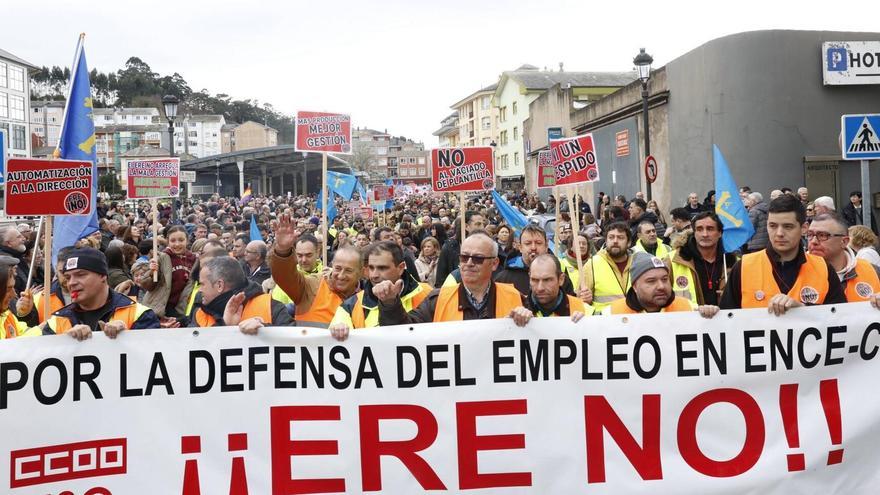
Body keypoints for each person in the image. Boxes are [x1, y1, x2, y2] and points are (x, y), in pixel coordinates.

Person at [720, 195, 846, 314]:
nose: (779, 233)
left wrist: (803, 309)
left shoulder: (823, 267)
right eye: (773, 226)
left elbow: (839, 317)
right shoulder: (743, 267)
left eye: (788, 226)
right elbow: (727, 320)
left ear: (804, 228)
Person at [374, 232, 526, 324]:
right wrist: (389, 304)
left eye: (478, 258)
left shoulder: (516, 298)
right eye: (464, 257)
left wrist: (528, 318)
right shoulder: (438, 299)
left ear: (494, 263)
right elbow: (404, 331)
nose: (469, 263)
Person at [42, 248, 160, 339]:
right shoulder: (57, 321)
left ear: (103, 276)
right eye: (68, 277)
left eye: (81, 275)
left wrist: (127, 338)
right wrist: (65, 343)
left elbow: (154, 360)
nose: (71, 283)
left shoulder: (139, 315)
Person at [269, 215, 361, 326]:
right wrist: (282, 250)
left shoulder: (371, 294)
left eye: (348, 271)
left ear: (361, 272)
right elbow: (285, 277)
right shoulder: (312, 286)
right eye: (337, 268)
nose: (341, 275)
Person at [328, 241, 431, 339]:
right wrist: (337, 331)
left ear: (401, 268)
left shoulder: (427, 293)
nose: (374, 275)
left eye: (382, 268)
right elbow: (332, 344)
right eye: (371, 268)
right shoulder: (350, 306)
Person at [604, 252, 717, 316]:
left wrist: (711, 315)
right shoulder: (611, 313)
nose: (661, 286)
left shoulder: (688, 308)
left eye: (664, 279)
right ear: (635, 287)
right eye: (651, 281)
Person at [193, 256, 291, 328]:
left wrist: (264, 329)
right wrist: (224, 325)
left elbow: (293, 339)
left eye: (202, 284)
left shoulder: (270, 306)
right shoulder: (200, 314)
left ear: (220, 285)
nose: (200, 290)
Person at [806, 213, 880, 304]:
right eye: (810, 235)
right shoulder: (793, 271)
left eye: (822, 235)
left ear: (844, 242)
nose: (813, 241)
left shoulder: (873, 271)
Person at [668, 212, 736, 306]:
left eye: (710, 229)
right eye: (699, 229)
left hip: (725, 319)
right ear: (694, 233)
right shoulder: (673, 260)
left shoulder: (733, 262)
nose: (705, 234)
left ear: (720, 233)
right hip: (687, 319)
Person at [495, 224, 574, 296]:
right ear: (520, 247)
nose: (533, 247)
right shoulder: (503, 279)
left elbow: (570, 305)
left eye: (538, 243)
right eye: (528, 243)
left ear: (546, 245)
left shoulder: (558, 276)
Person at [509, 254, 588, 323]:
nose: (540, 288)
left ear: (561, 279)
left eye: (547, 280)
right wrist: (511, 323)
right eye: (535, 280)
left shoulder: (583, 308)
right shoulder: (515, 307)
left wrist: (587, 324)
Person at [579, 222, 634, 314]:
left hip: (635, 321)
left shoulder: (637, 262)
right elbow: (580, 303)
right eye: (611, 237)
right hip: (604, 322)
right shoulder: (592, 264)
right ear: (606, 241)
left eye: (620, 237)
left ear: (628, 243)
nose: (615, 241)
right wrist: (585, 300)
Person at [434, 211, 486, 287]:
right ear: (466, 226)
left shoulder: (486, 246)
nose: (482, 228)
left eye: (483, 224)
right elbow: (441, 278)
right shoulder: (450, 247)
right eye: (478, 224)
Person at [0, 256, 40, 339]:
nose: (14, 295)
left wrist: (24, 314)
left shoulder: (7, 315)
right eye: (8, 289)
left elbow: (25, 335)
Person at [164, 226, 197, 318]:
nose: (177, 244)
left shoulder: (193, 259)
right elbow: (148, 284)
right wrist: (151, 272)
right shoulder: (162, 258)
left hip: (185, 307)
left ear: (187, 240)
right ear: (168, 242)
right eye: (173, 241)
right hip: (166, 308)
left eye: (181, 240)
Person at [0, 225, 29, 294]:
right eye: (19, 237)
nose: (24, 238)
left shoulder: (18, 256)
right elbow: (21, 285)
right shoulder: (6, 262)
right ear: (9, 243)